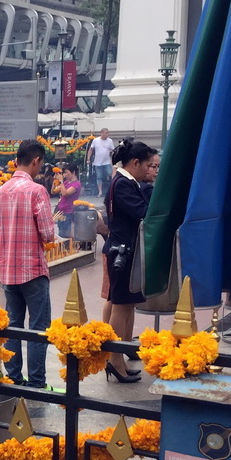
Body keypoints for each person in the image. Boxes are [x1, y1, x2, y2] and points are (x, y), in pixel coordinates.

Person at [0, 139, 55, 389]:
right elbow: (48, 233)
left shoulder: (0, 191)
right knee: (38, 328)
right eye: (41, 164)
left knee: (13, 326)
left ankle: (13, 377)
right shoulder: (37, 191)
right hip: (33, 270)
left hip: (8, 270)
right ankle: (37, 380)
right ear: (36, 160)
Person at [103, 138, 158, 382]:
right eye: (148, 165)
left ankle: (120, 358)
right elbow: (142, 213)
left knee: (125, 305)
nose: (150, 170)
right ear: (135, 162)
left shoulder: (127, 182)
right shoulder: (123, 184)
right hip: (122, 253)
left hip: (127, 252)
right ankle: (115, 359)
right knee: (121, 305)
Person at [86, 127, 115, 197]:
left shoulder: (110, 141)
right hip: (98, 162)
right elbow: (91, 149)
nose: (108, 134)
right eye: (106, 133)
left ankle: (113, 190)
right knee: (99, 177)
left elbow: (113, 150)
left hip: (107, 161)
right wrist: (88, 159)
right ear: (101, 133)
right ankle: (100, 191)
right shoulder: (96, 140)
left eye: (108, 133)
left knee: (110, 173)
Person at [56, 162, 81, 238]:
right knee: (61, 233)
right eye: (64, 173)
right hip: (60, 212)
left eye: (67, 172)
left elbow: (65, 193)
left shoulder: (76, 184)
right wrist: (55, 181)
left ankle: (67, 248)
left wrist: (61, 181)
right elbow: (53, 191)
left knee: (66, 234)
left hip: (68, 212)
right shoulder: (66, 182)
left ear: (73, 172)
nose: (65, 175)